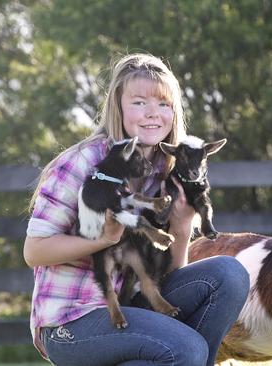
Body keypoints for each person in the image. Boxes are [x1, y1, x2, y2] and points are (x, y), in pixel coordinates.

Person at [24, 53, 249, 366]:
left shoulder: (164, 169)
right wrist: (102, 239)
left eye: (163, 104)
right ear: (118, 106)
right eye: (139, 102)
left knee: (229, 274)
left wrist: (182, 228)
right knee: (186, 350)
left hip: (132, 304)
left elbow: (165, 275)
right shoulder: (83, 162)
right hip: (72, 320)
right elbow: (34, 251)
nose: (152, 114)